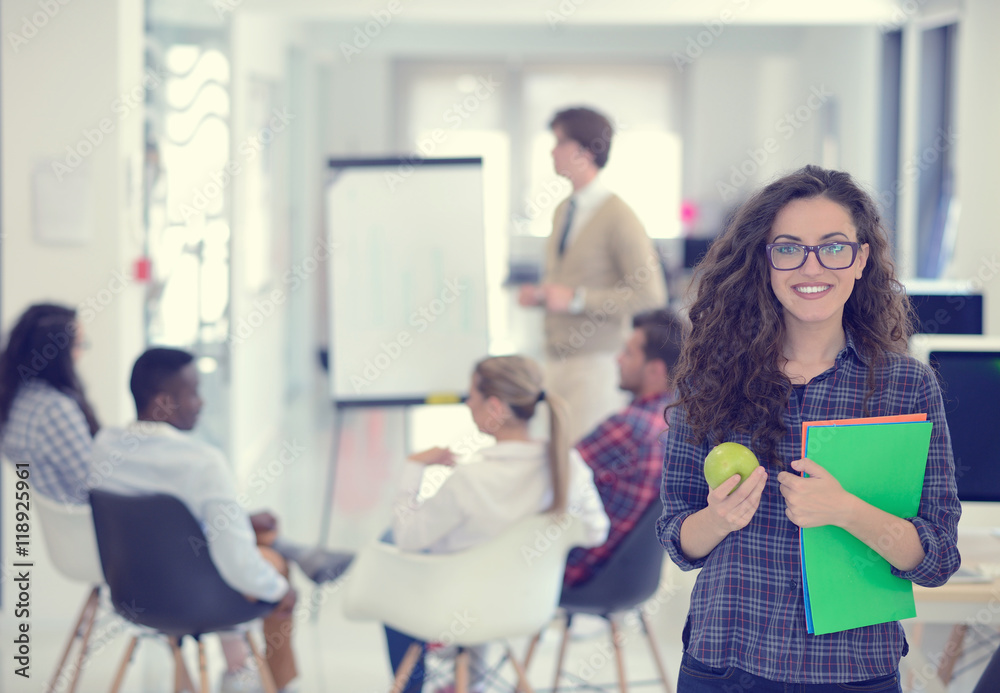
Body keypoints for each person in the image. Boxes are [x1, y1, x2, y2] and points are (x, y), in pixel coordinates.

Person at [658, 165, 961, 692]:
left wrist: (846, 512)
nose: (811, 265)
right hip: (726, 664)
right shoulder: (713, 377)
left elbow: (936, 557)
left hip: (850, 671)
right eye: (789, 248)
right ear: (765, 262)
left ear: (861, 259)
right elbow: (679, 537)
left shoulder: (906, 387)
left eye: (834, 246)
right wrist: (719, 518)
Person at [92, 348, 350, 693]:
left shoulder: (105, 447)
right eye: (193, 393)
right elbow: (237, 565)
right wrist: (281, 591)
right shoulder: (201, 462)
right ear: (162, 402)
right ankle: (272, 684)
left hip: (133, 594)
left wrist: (238, 522)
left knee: (248, 529)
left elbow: (159, 524)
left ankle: (297, 557)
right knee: (272, 567)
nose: (201, 403)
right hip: (198, 597)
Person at [384, 355, 610, 693]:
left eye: (470, 396)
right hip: (529, 607)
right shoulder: (569, 466)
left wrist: (413, 467)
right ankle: (470, 680)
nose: (467, 404)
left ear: (493, 405)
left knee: (390, 549)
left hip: (460, 609)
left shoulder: (469, 479)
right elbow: (596, 531)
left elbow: (407, 538)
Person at [518, 106, 667, 444]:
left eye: (558, 142)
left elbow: (650, 294)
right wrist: (543, 296)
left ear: (583, 150)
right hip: (557, 358)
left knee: (582, 466)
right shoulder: (563, 210)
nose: (551, 152)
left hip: (595, 363)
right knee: (556, 461)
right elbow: (570, 279)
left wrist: (577, 300)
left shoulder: (618, 216)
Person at [563, 308, 682, 588]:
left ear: (655, 371)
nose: (618, 359)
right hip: (633, 576)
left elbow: (556, 474)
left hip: (585, 571)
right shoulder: (678, 422)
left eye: (628, 353)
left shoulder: (629, 427)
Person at [0, 303, 99, 505]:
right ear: (58, 352)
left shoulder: (16, 400)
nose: (80, 354)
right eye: (78, 345)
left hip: (60, 528)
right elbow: (97, 484)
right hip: (88, 526)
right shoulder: (54, 409)